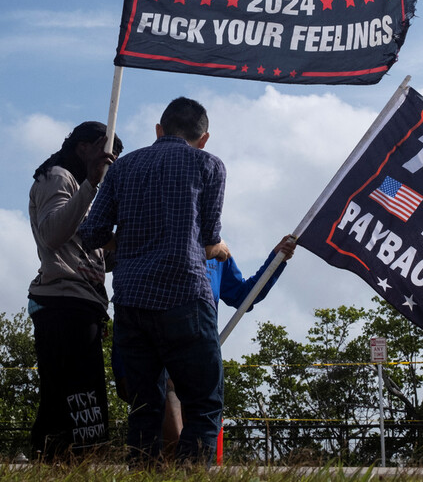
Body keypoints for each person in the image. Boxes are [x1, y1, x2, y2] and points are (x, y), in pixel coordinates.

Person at [78, 97, 228, 467]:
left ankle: (143, 473)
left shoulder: (123, 167)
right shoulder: (209, 165)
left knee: (145, 406)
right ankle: (190, 475)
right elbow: (208, 238)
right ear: (204, 137)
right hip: (185, 298)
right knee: (204, 403)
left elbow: (91, 233)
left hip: (132, 301)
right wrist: (219, 248)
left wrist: (130, 243)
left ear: (158, 130)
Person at [111, 235, 297, 453]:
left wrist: (276, 260)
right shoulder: (153, 228)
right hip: (149, 354)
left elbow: (243, 296)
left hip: (194, 359)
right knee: (169, 440)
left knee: (196, 437)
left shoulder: (219, 251)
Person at [27, 121, 122, 461]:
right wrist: (91, 184)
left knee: (74, 393)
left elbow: (92, 253)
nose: (108, 168)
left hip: (84, 302)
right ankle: (64, 458)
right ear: (86, 147)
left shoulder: (83, 189)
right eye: (106, 158)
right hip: (63, 301)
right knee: (75, 393)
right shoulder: (58, 177)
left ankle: (56, 457)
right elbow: (53, 233)